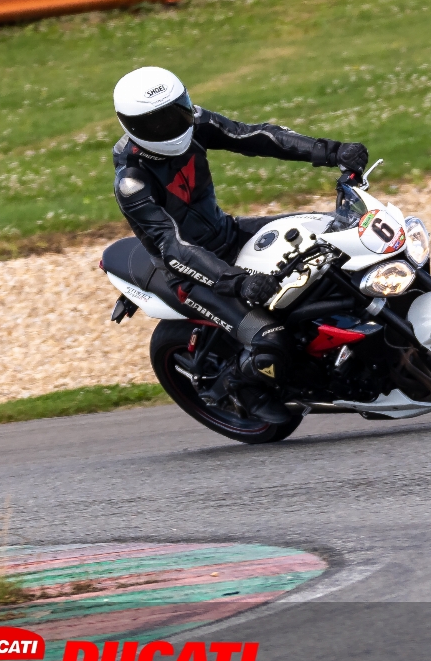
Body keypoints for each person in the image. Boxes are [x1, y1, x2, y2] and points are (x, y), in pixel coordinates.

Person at [111, 66, 369, 423]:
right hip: (193, 275)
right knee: (271, 338)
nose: (173, 126)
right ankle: (241, 386)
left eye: (177, 111)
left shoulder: (195, 122)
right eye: (158, 123)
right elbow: (173, 247)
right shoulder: (132, 182)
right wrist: (238, 281)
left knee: (337, 232)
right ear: (133, 126)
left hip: (229, 233)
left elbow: (255, 136)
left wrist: (332, 151)